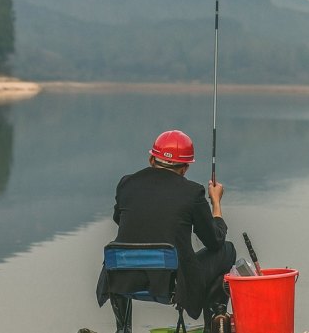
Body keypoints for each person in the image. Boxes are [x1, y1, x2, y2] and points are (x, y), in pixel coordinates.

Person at [96, 130, 236, 333]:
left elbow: (120, 220)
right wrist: (215, 203)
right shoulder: (192, 192)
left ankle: (123, 329)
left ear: (151, 158)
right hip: (174, 284)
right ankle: (213, 323)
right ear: (185, 168)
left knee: (120, 254)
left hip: (126, 278)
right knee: (227, 250)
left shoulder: (127, 183)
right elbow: (214, 241)